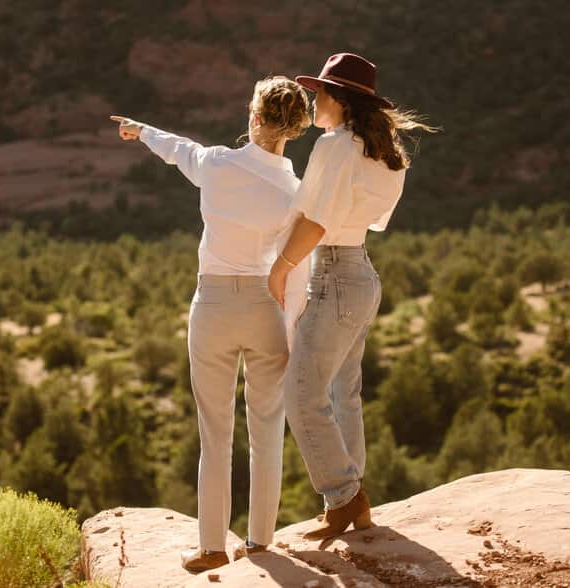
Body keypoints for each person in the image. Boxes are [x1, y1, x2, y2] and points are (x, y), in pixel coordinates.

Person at [111, 76, 311, 573]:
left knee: (214, 431)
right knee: (266, 430)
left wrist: (142, 130)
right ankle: (261, 542)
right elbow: (301, 261)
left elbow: (180, 150)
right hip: (269, 307)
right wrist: (296, 325)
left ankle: (211, 548)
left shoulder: (219, 163)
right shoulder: (295, 189)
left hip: (215, 306)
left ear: (256, 118)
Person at [267, 53, 435, 540]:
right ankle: (350, 503)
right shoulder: (378, 150)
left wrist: (279, 268)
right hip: (360, 275)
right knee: (345, 394)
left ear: (339, 98)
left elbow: (316, 220)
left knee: (301, 395)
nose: (313, 99)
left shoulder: (334, 146)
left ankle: (343, 496)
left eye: (319, 92)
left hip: (335, 276)